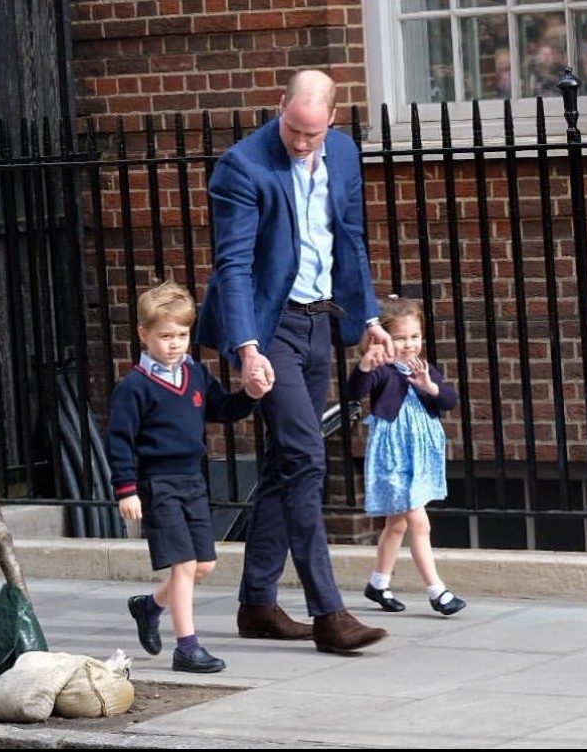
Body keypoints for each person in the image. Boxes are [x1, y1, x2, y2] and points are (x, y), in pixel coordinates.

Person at [196, 69, 394, 655]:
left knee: (288, 461)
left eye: (313, 133)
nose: (302, 143)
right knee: (307, 457)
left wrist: (368, 321)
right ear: (280, 106)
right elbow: (233, 266)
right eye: (293, 129)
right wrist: (246, 348)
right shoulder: (243, 165)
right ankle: (329, 612)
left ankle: (257, 604)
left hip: (318, 321)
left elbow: (350, 240)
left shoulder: (343, 152)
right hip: (269, 326)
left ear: (332, 120)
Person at [105, 280, 270, 674]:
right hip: (158, 485)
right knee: (182, 565)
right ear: (144, 335)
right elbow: (119, 441)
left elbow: (223, 410)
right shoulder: (134, 387)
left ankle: (150, 606)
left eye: (182, 335)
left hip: (193, 481)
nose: (175, 343)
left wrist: (250, 393)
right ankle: (187, 647)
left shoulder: (195, 375)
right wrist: (126, 490)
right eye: (165, 336)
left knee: (203, 566)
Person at [348, 296, 467, 616]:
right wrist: (363, 365)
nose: (409, 345)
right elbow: (354, 390)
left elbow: (450, 401)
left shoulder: (424, 368)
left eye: (415, 337)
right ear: (385, 338)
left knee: (397, 525)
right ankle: (437, 591)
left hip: (420, 456)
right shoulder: (381, 370)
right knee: (419, 523)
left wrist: (430, 386)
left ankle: (377, 583)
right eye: (400, 338)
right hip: (394, 456)